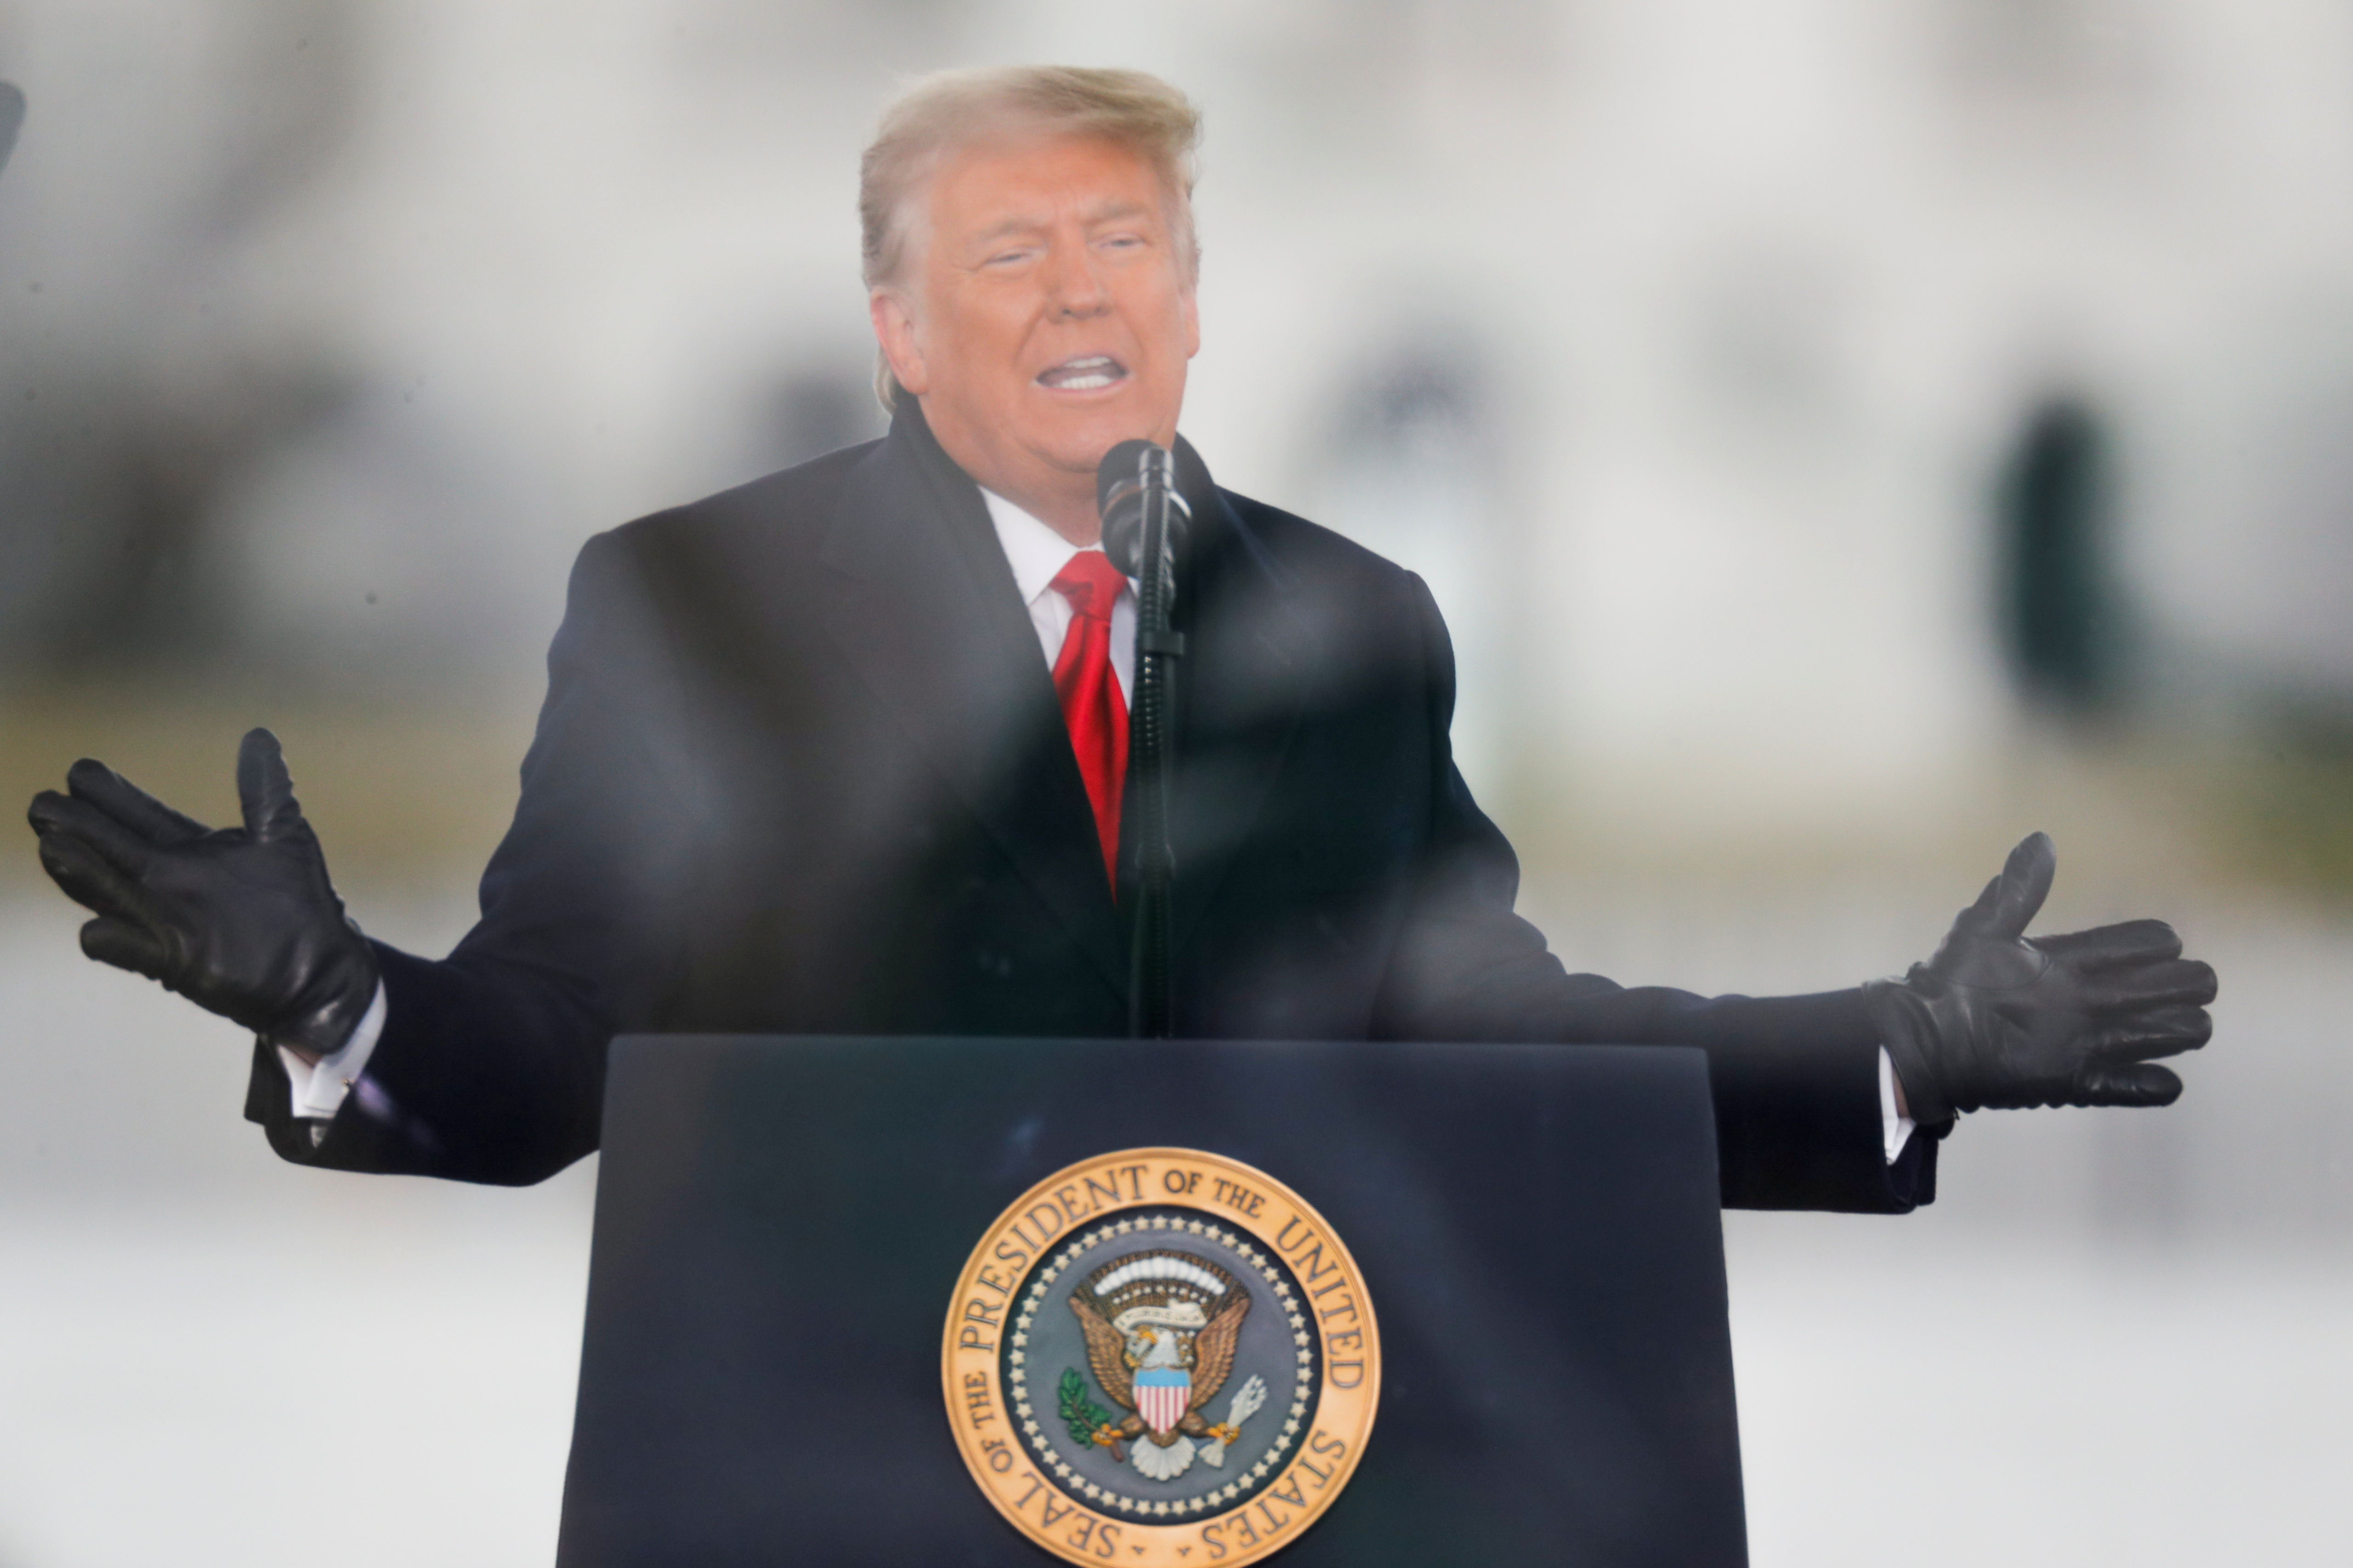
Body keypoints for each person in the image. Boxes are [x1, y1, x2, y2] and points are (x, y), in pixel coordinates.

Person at [25, 67, 2213, 1207]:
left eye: (1131, 245)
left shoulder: (1348, 615)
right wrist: (335, 995)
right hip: (834, 1452)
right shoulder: (689, 599)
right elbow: (556, 1054)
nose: (1086, 295)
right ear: (896, 325)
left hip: (1268, 1452)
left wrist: (1897, 1044)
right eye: (1014, 252)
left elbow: (1489, 1033)